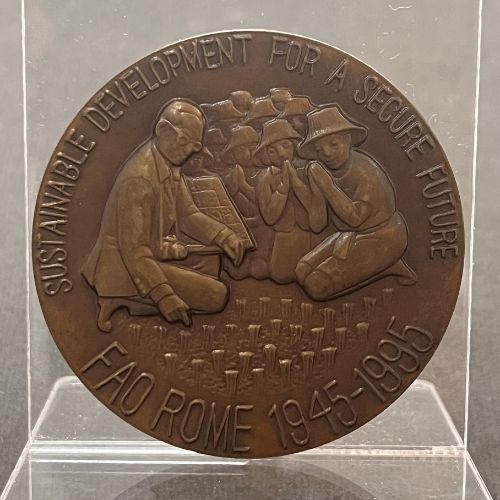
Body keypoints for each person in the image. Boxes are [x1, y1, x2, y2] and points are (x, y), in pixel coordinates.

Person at [82, 98, 246, 331]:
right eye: (184, 141)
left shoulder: (168, 164)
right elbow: (134, 251)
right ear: (163, 130)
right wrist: (164, 296)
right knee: (217, 294)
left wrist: (223, 235)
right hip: (122, 266)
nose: (189, 151)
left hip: (152, 253)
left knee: (210, 263)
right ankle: (136, 298)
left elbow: (188, 214)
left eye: (195, 146)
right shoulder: (139, 180)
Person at [295, 105, 416, 301]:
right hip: (349, 235)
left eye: (333, 144)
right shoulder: (322, 171)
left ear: (347, 140)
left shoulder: (367, 172)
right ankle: (379, 266)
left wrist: (325, 184)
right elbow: (317, 224)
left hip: (384, 236)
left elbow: (355, 219)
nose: (326, 153)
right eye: (319, 149)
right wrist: (316, 185)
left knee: (315, 285)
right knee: (301, 270)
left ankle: (389, 264)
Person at [253, 119, 312, 284]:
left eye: (286, 146)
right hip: (283, 236)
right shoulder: (264, 178)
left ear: (295, 145)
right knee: (281, 276)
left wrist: (297, 184)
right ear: (265, 155)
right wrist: (283, 188)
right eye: (272, 151)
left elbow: (317, 209)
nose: (281, 153)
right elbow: (269, 217)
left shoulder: (308, 170)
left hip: (309, 235)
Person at [220, 125, 274, 279]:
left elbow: (266, 206)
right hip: (237, 230)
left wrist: (243, 186)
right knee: (238, 271)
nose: (246, 154)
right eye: (240, 149)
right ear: (232, 154)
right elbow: (222, 205)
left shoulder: (266, 174)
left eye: (251, 148)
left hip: (261, 230)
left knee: (260, 268)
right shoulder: (229, 176)